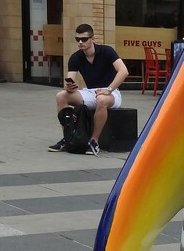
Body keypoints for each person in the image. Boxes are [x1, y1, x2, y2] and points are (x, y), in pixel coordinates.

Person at [49, 23, 128, 156]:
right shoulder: (75, 57)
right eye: (77, 39)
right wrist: (69, 86)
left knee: (101, 100)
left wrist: (108, 89)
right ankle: (68, 137)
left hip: (111, 93)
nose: (80, 42)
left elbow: (124, 71)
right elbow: (70, 80)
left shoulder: (107, 51)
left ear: (92, 38)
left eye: (84, 39)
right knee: (61, 96)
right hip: (90, 92)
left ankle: (94, 141)